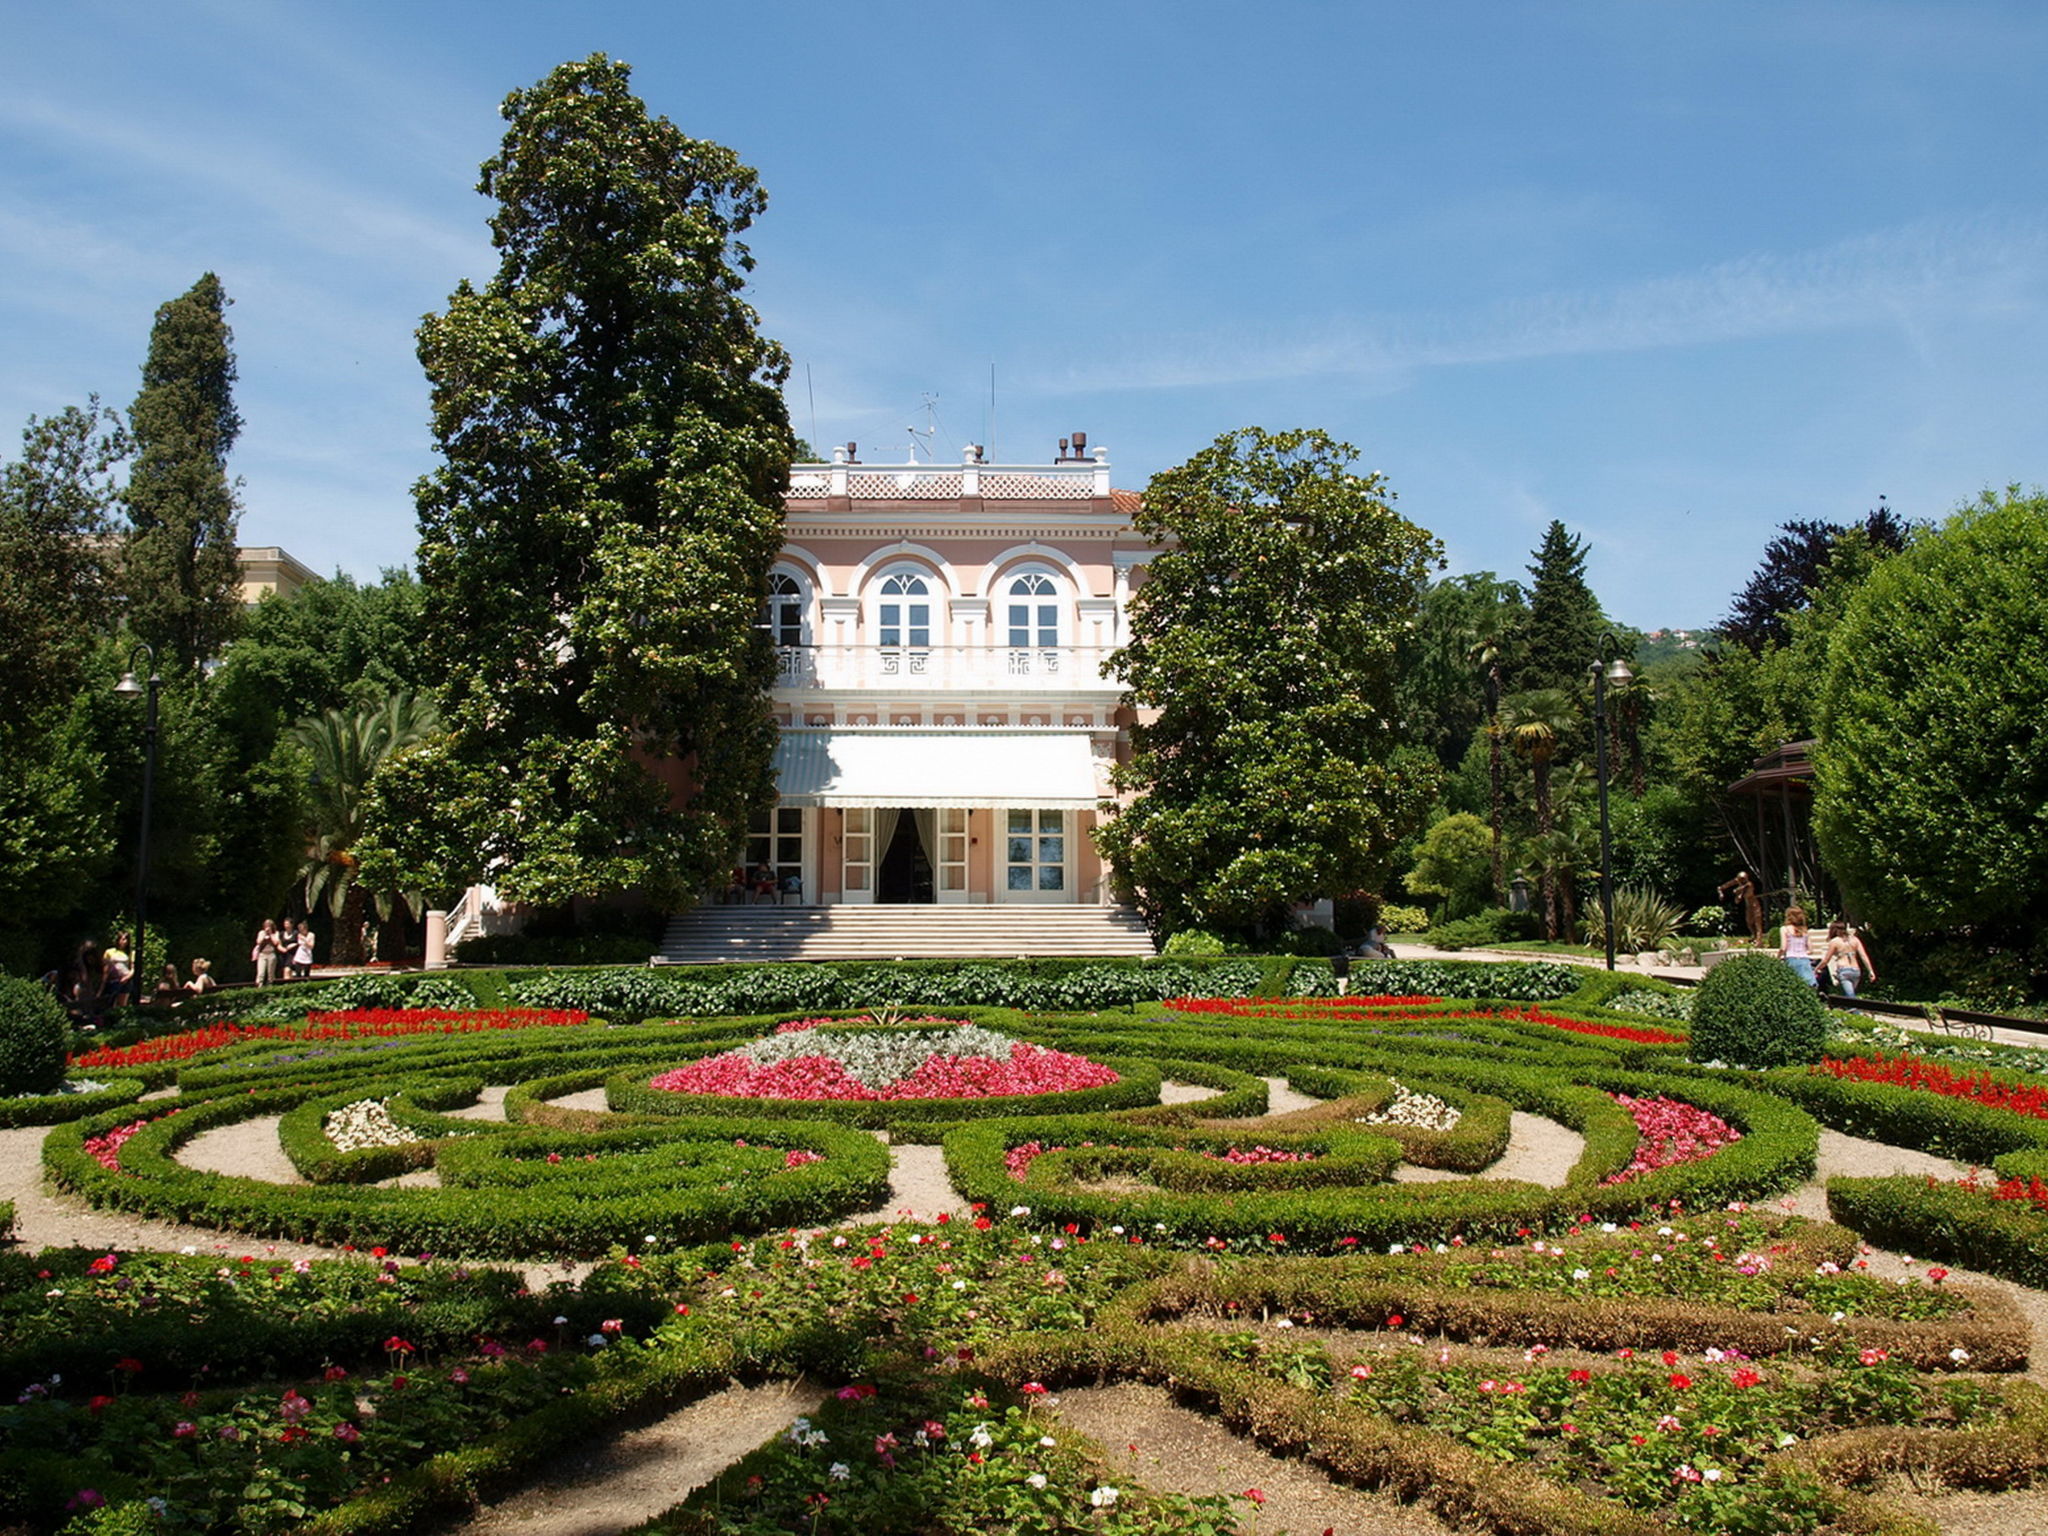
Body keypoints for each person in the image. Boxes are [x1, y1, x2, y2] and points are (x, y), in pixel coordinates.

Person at [1818, 922, 1877, 999]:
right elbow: (1863, 956)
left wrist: (1817, 968)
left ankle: (1856, 1011)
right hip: (1856, 970)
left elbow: (1826, 960)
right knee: (1849, 994)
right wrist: (1870, 970)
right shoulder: (1855, 940)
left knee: (1850, 997)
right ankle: (1847, 1008)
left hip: (1844, 970)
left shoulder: (1835, 941)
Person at [1777, 904, 1818, 987]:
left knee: (1793, 984)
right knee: (1808, 984)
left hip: (1791, 958)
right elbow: (1811, 950)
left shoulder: (1784, 929)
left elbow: (1783, 947)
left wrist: (1778, 957)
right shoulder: (1805, 930)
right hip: (1805, 959)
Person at [252, 919, 281, 987]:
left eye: (269, 926)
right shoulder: (261, 933)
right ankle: (260, 987)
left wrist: (270, 934)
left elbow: (276, 942)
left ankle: (270, 987)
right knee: (261, 973)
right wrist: (264, 935)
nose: (267, 927)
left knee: (270, 974)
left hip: (271, 954)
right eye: (266, 926)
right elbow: (258, 942)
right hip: (262, 954)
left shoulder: (275, 933)